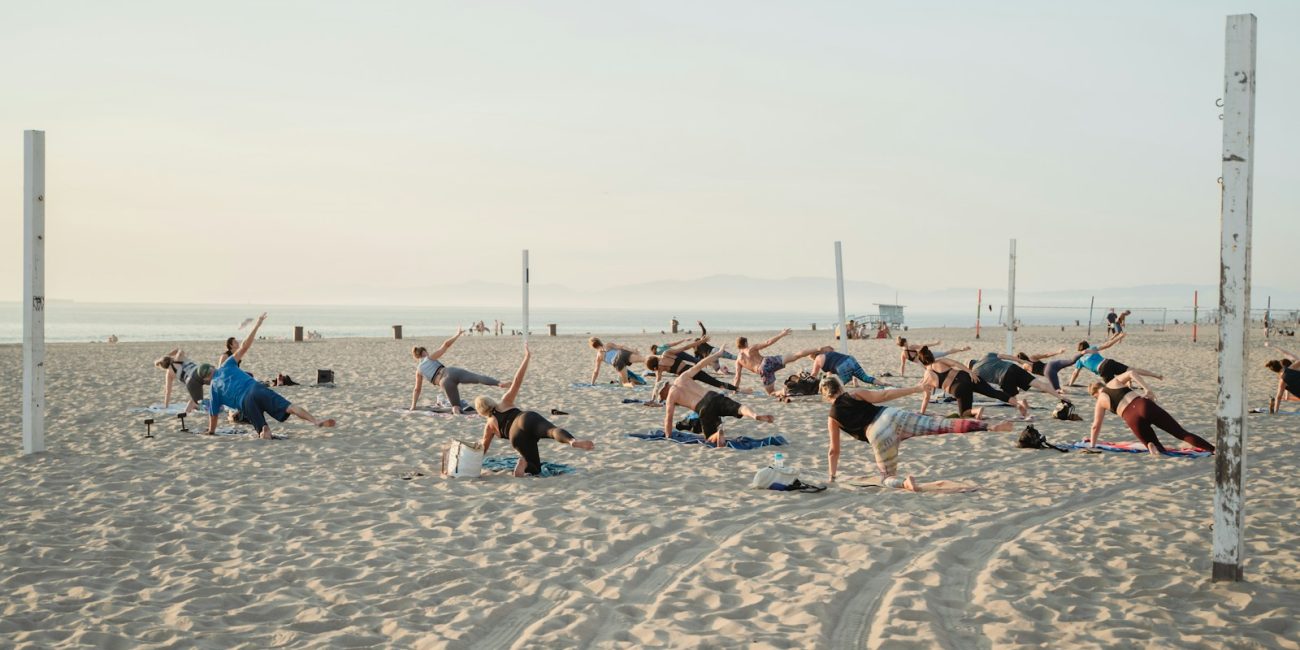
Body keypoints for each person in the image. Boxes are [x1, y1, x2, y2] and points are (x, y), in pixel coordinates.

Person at [821, 376, 1014, 491]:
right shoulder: (855, 394)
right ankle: (988, 427)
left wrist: (832, 475)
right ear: (840, 387)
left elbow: (833, 450)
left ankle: (905, 484)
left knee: (886, 477)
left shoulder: (832, 417)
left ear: (825, 395)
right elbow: (885, 395)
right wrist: (916, 388)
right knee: (941, 424)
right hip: (892, 415)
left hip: (878, 435)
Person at [207, 313, 336, 439]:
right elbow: (245, 346)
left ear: (206, 378)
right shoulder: (226, 363)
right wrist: (257, 324)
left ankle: (265, 430)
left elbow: (214, 416)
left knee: (262, 430)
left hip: (245, 402)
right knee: (290, 407)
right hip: (256, 388)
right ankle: (315, 421)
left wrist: (211, 432)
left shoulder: (213, 387)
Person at [476, 345, 594, 476]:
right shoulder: (505, 401)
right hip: (526, 418)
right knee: (552, 431)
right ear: (490, 400)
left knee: (535, 467)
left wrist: (472, 462)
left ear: (481, 411)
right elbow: (517, 381)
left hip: (516, 436)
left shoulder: (490, 426)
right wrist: (526, 358)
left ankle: (524, 464)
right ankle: (572, 441)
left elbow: (484, 448)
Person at [665, 348, 774, 447]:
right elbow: (700, 365)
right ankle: (754, 415)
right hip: (713, 396)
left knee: (709, 440)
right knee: (740, 408)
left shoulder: (671, 395)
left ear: (664, 390)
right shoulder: (682, 377)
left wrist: (668, 435)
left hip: (703, 408)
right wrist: (717, 354)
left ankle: (717, 434)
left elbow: (668, 418)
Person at [1087, 371, 1214, 455]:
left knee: (1153, 444)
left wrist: (1092, 445)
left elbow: (1095, 426)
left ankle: (1153, 447)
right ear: (1101, 385)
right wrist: (1147, 389)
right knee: (1180, 433)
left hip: (1131, 419)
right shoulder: (1113, 382)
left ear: (1095, 394)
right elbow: (1131, 373)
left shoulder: (1100, 402)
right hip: (1143, 405)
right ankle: (1213, 450)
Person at [412, 328, 511, 414]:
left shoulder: (419, 370)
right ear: (424, 352)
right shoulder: (430, 358)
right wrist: (457, 334)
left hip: (445, 382)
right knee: (478, 378)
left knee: (456, 406)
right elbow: (445, 345)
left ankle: (457, 412)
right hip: (451, 371)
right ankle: (500, 383)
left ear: (417, 357)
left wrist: (413, 406)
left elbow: (417, 390)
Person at [917, 346, 1027, 418]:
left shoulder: (927, 377)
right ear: (931, 355)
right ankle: (1018, 403)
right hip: (966, 376)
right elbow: (956, 363)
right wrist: (970, 372)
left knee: (964, 413)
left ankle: (977, 411)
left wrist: (922, 412)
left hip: (957, 388)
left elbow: (926, 397)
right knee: (994, 392)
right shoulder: (940, 361)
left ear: (922, 362)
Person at [733, 329, 824, 399]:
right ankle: (817, 349)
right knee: (795, 356)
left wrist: (734, 390)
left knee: (772, 393)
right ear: (745, 343)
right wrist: (782, 334)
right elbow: (768, 342)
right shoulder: (751, 349)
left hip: (762, 370)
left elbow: (737, 377)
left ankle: (782, 392)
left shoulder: (738, 360)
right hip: (768, 361)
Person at [645, 336, 741, 395]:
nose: (659, 368)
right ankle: (734, 389)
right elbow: (657, 384)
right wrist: (653, 397)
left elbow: (685, 347)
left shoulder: (664, 359)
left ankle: (734, 389)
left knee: (712, 382)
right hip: (686, 374)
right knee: (705, 385)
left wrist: (700, 342)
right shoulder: (660, 366)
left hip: (688, 373)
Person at [1066, 333, 1161, 387]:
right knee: (1132, 370)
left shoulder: (1080, 359)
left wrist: (1070, 384)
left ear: (1079, 350)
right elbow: (1107, 345)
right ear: (1088, 346)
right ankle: (1155, 375)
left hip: (1102, 369)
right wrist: (1119, 337)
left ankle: (1128, 381)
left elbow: (1075, 373)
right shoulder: (1092, 348)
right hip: (1108, 362)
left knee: (1114, 386)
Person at [971, 351, 1066, 402]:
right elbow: (1006, 356)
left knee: (1012, 399)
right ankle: (1061, 398)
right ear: (976, 360)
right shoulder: (987, 355)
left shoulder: (975, 372)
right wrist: (1022, 361)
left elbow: (986, 387)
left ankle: (1023, 408)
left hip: (1004, 378)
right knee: (1040, 384)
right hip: (1012, 367)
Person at [153, 348, 212, 414]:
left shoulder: (169, 373)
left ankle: (190, 407)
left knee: (198, 401)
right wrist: (168, 354)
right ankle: (194, 405)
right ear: (170, 358)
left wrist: (166, 405)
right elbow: (179, 349)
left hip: (190, 382)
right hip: (198, 371)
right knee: (215, 381)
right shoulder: (179, 357)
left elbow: (168, 391)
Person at [809, 346, 887, 387]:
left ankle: (852, 381)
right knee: (864, 377)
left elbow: (813, 375)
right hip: (850, 359)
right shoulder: (827, 354)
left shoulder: (817, 360)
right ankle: (883, 384)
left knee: (839, 386)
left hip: (842, 366)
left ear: (812, 357)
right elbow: (830, 371)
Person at [897, 337, 971, 377]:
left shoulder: (903, 354)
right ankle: (961, 349)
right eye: (907, 341)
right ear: (905, 342)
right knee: (945, 353)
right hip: (926, 356)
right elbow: (924, 346)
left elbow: (902, 365)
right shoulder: (911, 347)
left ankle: (961, 349)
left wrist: (902, 375)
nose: (908, 342)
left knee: (930, 371)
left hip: (922, 361)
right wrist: (935, 344)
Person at [1265, 344, 1300, 413]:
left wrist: (1276, 411)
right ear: (1280, 364)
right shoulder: (1291, 368)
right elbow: (1289, 354)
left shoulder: (1282, 381)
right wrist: (1275, 346)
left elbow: (1278, 397)